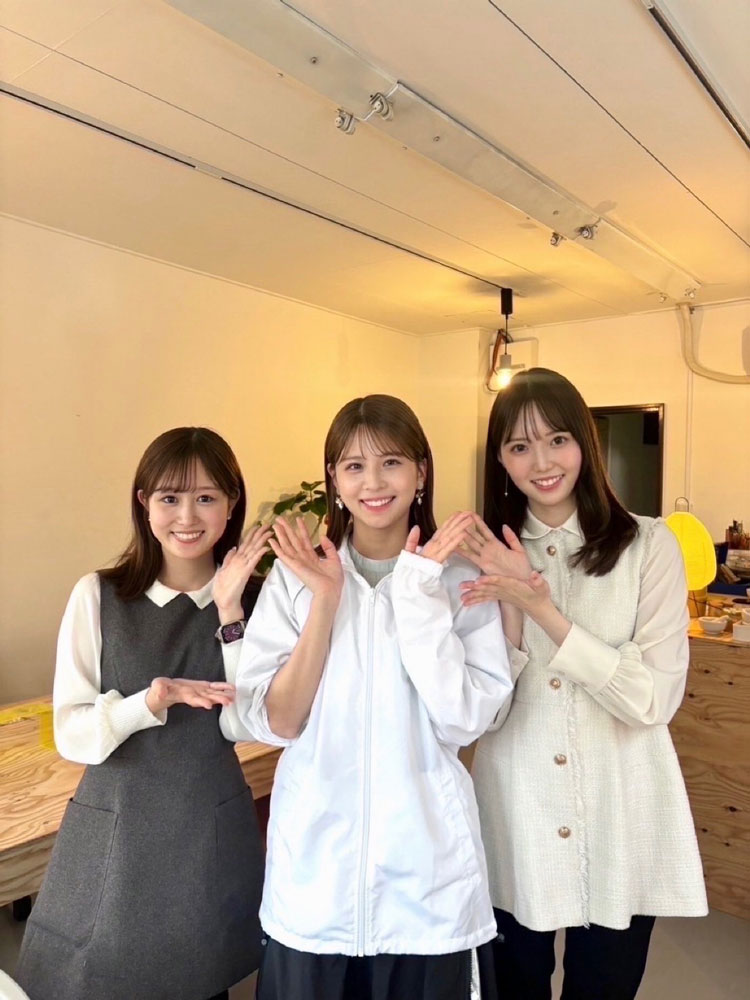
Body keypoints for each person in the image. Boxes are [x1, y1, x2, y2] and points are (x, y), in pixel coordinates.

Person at [234, 394, 513, 1000]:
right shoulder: (294, 578)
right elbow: (277, 723)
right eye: (354, 466)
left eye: (391, 462)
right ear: (334, 479)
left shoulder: (460, 579)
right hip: (315, 881)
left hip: (428, 881)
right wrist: (325, 600)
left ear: (420, 472)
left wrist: (419, 594)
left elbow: (466, 719)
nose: (373, 483)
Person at [459, 369, 707, 1000]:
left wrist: (540, 608)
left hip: (621, 805)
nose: (541, 462)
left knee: (606, 985)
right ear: (500, 460)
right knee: (513, 986)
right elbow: (480, 716)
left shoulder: (650, 546)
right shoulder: (478, 557)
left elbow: (652, 701)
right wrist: (510, 614)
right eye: (519, 446)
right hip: (515, 807)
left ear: (585, 443)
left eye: (557, 439)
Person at [16, 427, 271, 1000]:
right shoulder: (99, 595)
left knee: (201, 980)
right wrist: (149, 702)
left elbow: (251, 722)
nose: (187, 516)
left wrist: (230, 611)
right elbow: (71, 734)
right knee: (99, 978)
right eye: (169, 497)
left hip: (206, 829)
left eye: (206, 497)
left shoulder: (258, 601)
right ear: (144, 503)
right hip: (117, 832)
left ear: (232, 503)